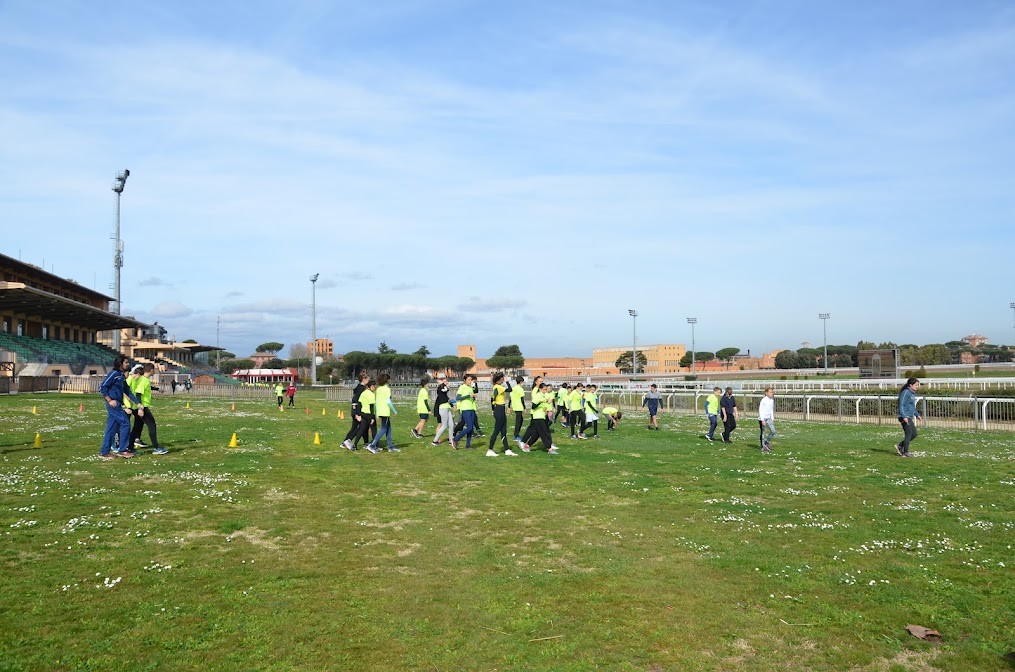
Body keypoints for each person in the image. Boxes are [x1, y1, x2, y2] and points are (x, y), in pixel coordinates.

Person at [98, 354, 140, 459]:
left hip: (117, 404)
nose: (128, 364)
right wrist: (109, 400)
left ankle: (104, 452)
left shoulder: (121, 376)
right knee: (125, 423)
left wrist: (137, 403)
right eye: (126, 362)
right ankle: (123, 450)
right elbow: (102, 387)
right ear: (120, 363)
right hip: (113, 404)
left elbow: (127, 391)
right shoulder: (114, 374)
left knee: (111, 428)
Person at [129, 363, 168, 455]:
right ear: (151, 370)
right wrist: (140, 408)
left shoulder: (143, 379)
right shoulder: (143, 380)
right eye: (154, 370)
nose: (154, 372)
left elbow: (146, 388)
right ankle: (156, 447)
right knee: (152, 425)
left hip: (138, 407)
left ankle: (130, 447)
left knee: (137, 427)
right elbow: (138, 393)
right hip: (142, 407)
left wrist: (157, 389)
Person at [518, 381, 558, 454]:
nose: (545, 391)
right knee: (544, 432)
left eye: (546, 389)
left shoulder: (544, 395)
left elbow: (544, 405)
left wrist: (545, 408)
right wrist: (541, 402)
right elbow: (533, 406)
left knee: (537, 433)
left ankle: (527, 445)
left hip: (542, 416)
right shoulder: (537, 396)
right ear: (540, 389)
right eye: (544, 389)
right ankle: (549, 448)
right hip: (537, 416)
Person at [367, 373, 398, 453]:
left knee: (388, 429)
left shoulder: (378, 389)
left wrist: (377, 413)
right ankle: (372, 445)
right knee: (383, 429)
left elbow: (376, 402)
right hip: (385, 411)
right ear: (386, 380)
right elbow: (388, 401)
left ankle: (391, 447)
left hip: (380, 411)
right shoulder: (387, 389)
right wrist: (394, 410)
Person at [487, 372, 516, 456]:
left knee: (503, 431)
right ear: (499, 379)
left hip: (500, 409)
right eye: (502, 378)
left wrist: (493, 409)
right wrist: (507, 382)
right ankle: (490, 450)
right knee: (496, 431)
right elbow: (510, 389)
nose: (503, 379)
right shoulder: (498, 387)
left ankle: (507, 449)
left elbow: (492, 399)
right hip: (499, 409)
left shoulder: (496, 387)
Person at [342, 372, 370, 450]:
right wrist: (357, 414)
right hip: (358, 411)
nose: (369, 381)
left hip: (358, 411)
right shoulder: (361, 389)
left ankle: (365, 443)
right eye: (368, 379)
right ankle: (347, 441)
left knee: (359, 427)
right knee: (361, 427)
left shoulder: (360, 387)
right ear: (364, 379)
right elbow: (355, 400)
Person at [451, 374, 479, 450]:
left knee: (471, 427)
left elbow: (474, 393)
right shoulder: (462, 387)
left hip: (471, 408)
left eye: (471, 380)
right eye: (468, 380)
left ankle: (468, 445)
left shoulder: (470, 387)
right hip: (465, 409)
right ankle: (455, 439)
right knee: (469, 427)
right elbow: (458, 398)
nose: (470, 381)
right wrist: (468, 396)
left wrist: (473, 397)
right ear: (464, 380)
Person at [896, 378, 922, 457]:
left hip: (909, 416)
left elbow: (912, 407)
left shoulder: (912, 393)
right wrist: (904, 416)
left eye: (918, 385)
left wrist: (917, 414)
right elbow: (901, 405)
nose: (917, 386)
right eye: (916, 385)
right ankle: (905, 452)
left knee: (914, 434)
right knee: (909, 434)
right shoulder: (905, 392)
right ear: (910, 385)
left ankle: (900, 445)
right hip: (904, 416)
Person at [349, 379, 377, 451]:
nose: (375, 388)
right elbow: (371, 407)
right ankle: (375, 445)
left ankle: (354, 445)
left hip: (363, 413)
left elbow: (359, 404)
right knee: (374, 429)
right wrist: (372, 417)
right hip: (368, 414)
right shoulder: (371, 394)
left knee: (361, 429)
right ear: (371, 386)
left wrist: (358, 413)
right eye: (375, 386)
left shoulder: (364, 393)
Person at [431, 374, 455, 446]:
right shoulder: (440, 388)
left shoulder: (444, 392)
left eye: (446, 381)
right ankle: (435, 441)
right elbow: (444, 389)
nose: (446, 382)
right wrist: (445, 385)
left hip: (447, 408)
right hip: (443, 408)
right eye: (444, 381)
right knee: (444, 425)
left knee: (451, 424)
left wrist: (452, 406)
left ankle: (451, 440)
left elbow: (447, 398)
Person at [758, 387, 775, 453]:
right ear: (766, 393)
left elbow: (771, 409)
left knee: (773, 431)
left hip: (768, 418)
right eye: (770, 392)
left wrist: (772, 418)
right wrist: (762, 420)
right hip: (763, 418)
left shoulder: (772, 400)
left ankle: (767, 442)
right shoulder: (763, 400)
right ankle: (763, 446)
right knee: (763, 432)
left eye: (772, 392)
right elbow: (760, 410)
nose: (771, 393)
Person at [509, 375, 526, 441]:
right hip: (519, 406)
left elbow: (510, 398)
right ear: (521, 382)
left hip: (515, 406)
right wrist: (524, 407)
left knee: (520, 419)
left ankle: (517, 434)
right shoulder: (520, 389)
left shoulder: (513, 388)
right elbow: (522, 399)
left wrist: (509, 406)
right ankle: (516, 435)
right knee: (518, 421)